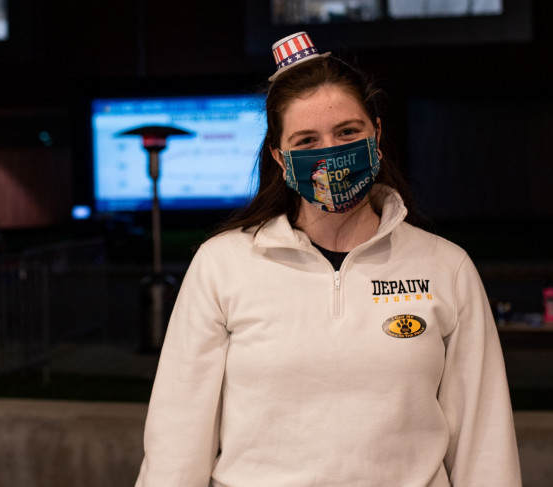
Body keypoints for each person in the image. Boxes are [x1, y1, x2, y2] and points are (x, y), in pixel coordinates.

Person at [135, 32, 521, 487]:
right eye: (307, 140)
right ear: (280, 157)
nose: (330, 153)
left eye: (347, 132)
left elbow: (485, 440)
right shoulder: (222, 265)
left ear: (376, 133)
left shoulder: (445, 267)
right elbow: (177, 441)